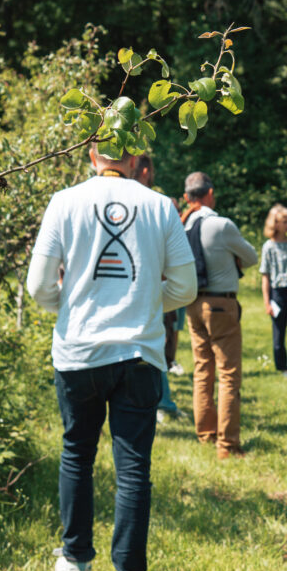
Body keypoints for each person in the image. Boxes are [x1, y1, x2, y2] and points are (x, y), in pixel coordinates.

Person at [27, 145, 196, 571]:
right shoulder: (160, 205)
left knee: (77, 455)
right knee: (133, 469)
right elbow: (185, 286)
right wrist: (141, 302)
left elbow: (39, 285)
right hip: (138, 353)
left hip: (79, 350)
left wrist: (67, 310)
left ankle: (76, 565)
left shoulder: (64, 202)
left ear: (91, 152)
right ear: (135, 155)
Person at [182, 171, 258, 460]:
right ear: (210, 193)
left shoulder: (183, 225)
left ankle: (205, 433)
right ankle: (227, 445)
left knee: (202, 370)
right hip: (221, 305)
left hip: (193, 304)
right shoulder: (221, 225)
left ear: (188, 197)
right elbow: (250, 257)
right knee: (228, 374)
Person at [132, 153, 183, 423]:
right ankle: (162, 403)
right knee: (155, 348)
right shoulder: (158, 206)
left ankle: (162, 403)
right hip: (151, 293)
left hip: (148, 294)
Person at [259, 203, 287, 377]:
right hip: (278, 293)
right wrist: (267, 302)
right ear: (275, 223)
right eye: (284, 221)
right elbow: (265, 275)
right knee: (278, 335)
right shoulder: (269, 246)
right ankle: (282, 368)